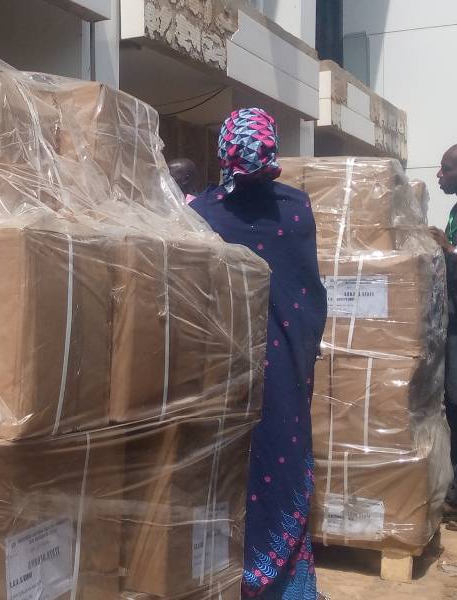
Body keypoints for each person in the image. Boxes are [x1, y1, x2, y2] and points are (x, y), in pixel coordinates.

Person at [190, 108, 326, 599]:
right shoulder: (297, 208)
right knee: (281, 462)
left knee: (226, 475)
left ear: (222, 150)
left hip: (224, 375)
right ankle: (286, 584)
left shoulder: (202, 214)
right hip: (286, 370)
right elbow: (308, 295)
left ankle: (230, 578)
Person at [428, 142, 457, 530]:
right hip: (456, 326)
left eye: (446, 169)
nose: (439, 175)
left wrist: (450, 248)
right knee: (455, 409)